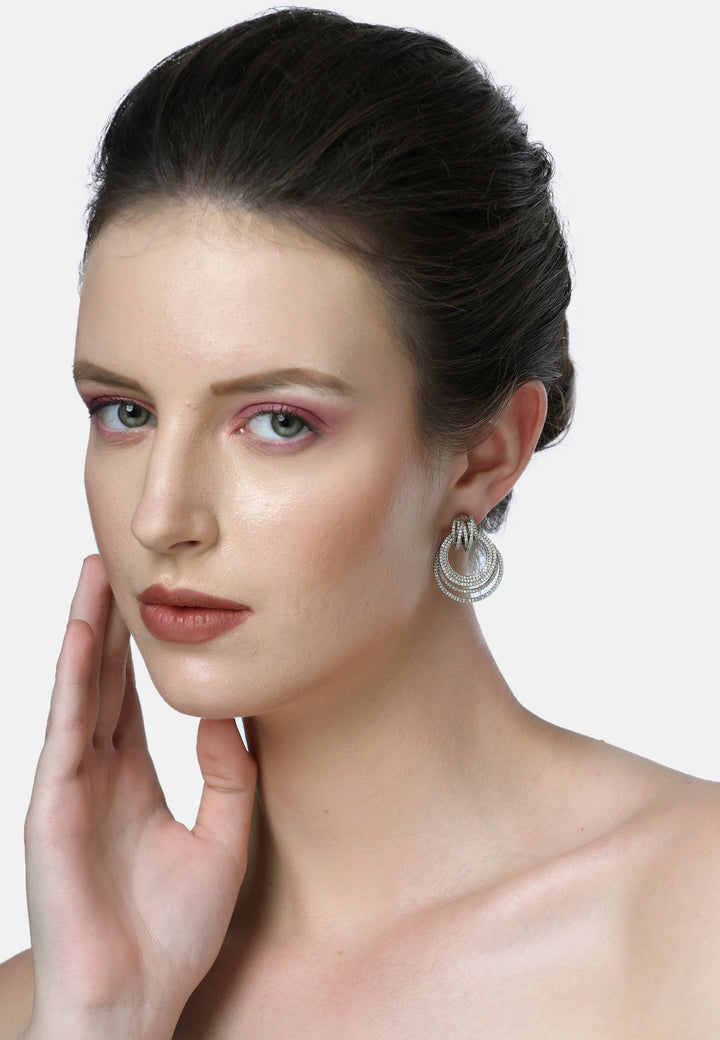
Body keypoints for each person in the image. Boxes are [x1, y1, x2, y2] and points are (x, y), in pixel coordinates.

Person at [2, 7, 719, 1037]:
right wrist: (97, 1016)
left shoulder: (696, 918)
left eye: (279, 422)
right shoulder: (51, 999)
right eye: (125, 411)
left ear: (486, 453)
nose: (161, 516)